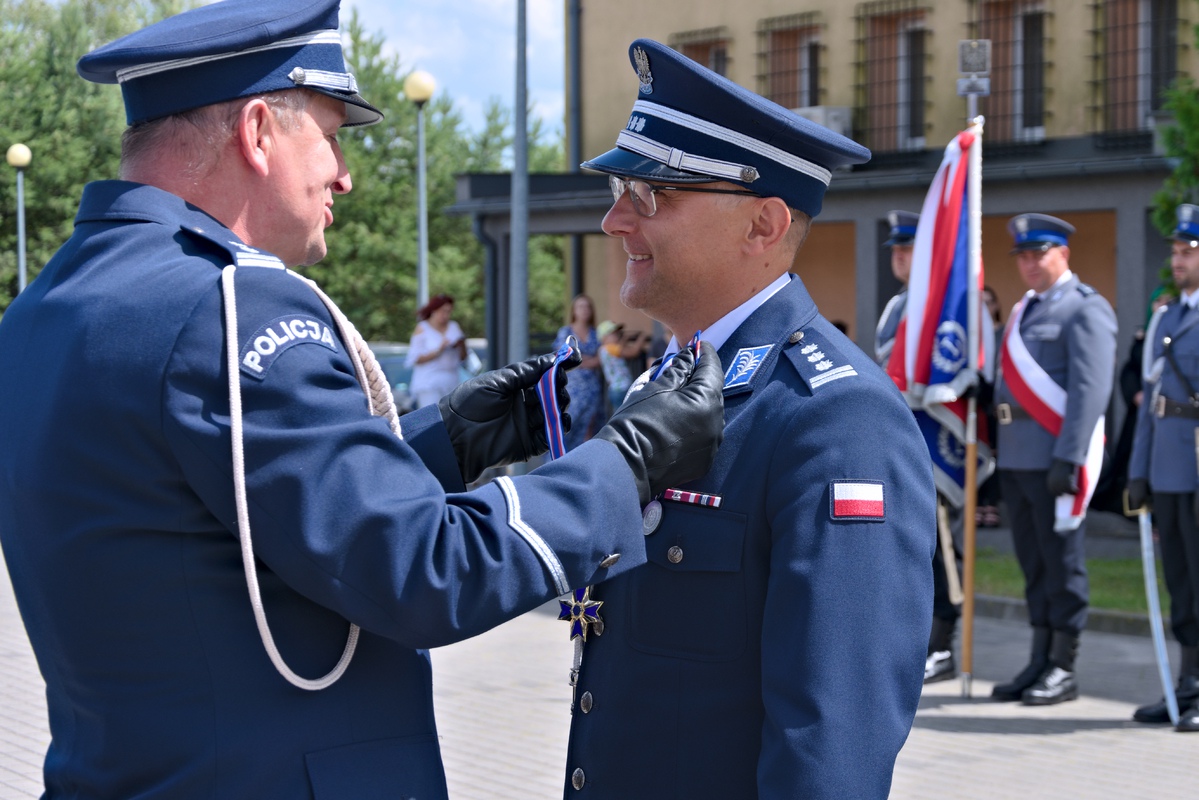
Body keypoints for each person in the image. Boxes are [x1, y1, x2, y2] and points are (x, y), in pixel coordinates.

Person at [0, 4, 727, 798]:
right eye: (332, 135)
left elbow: (219, 512)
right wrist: (621, 467)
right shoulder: (233, 306)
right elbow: (418, 574)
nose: (343, 174)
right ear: (256, 130)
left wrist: (445, 442)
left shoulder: (46, 308)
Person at [565, 39, 936, 798]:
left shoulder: (834, 417)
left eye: (648, 198)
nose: (613, 222)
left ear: (763, 225)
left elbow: (830, 741)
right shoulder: (665, 383)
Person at [991, 213, 1117, 705]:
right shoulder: (1025, 309)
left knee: (1062, 564)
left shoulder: (1085, 309)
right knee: (1033, 563)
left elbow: (1090, 390)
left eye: (1038, 253)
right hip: (1019, 458)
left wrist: (1068, 456)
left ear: (1063, 253)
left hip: (1055, 459)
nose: (1029, 263)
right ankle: (1039, 657)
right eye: (1022, 255)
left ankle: (1064, 665)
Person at [1128, 204, 1199, 732]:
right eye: (1175, 250)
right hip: (1169, 468)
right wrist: (1139, 469)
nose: (1177, 259)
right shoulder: (1166, 317)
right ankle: (1187, 684)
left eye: (1187, 250)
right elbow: (1152, 397)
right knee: (1180, 582)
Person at [554, 294, 605, 448]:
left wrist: (581, 359)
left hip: (592, 387)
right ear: (574, 311)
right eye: (581, 306)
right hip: (571, 387)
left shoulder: (595, 333)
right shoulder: (565, 332)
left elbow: (601, 358)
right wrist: (589, 359)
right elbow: (564, 358)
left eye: (588, 306)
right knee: (567, 424)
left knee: (589, 426)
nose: (585, 310)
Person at [407, 293, 466, 408]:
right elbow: (415, 358)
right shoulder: (422, 328)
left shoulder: (454, 326)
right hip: (429, 382)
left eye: (449, 312)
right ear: (434, 310)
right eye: (443, 311)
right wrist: (439, 349)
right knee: (433, 416)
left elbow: (463, 357)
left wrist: (461, 344)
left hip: (451, 382)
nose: (445, 315)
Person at [875, 209, 918, 366]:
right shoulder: (897, 301)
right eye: (895, 250)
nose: (898, 256)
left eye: (905, 249)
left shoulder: (937, 302)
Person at [977, 285, 1004, 527]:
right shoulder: (974, 334)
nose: (984, 307)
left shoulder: (1004, 333)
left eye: (988, 301)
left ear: (996, 306)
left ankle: (991, 504)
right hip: (980, 400)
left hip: (999, 401)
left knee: (994, 454)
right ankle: (977, 503)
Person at [597, 319, 635, 412]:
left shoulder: (602, 349)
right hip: (622, 387)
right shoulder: (611, 348)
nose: (618, 335)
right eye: (614, 333)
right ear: (604, 337)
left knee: (619, 413)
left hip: (614, 388)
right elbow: (632, 352)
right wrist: (641, 339)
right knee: (625, 413)